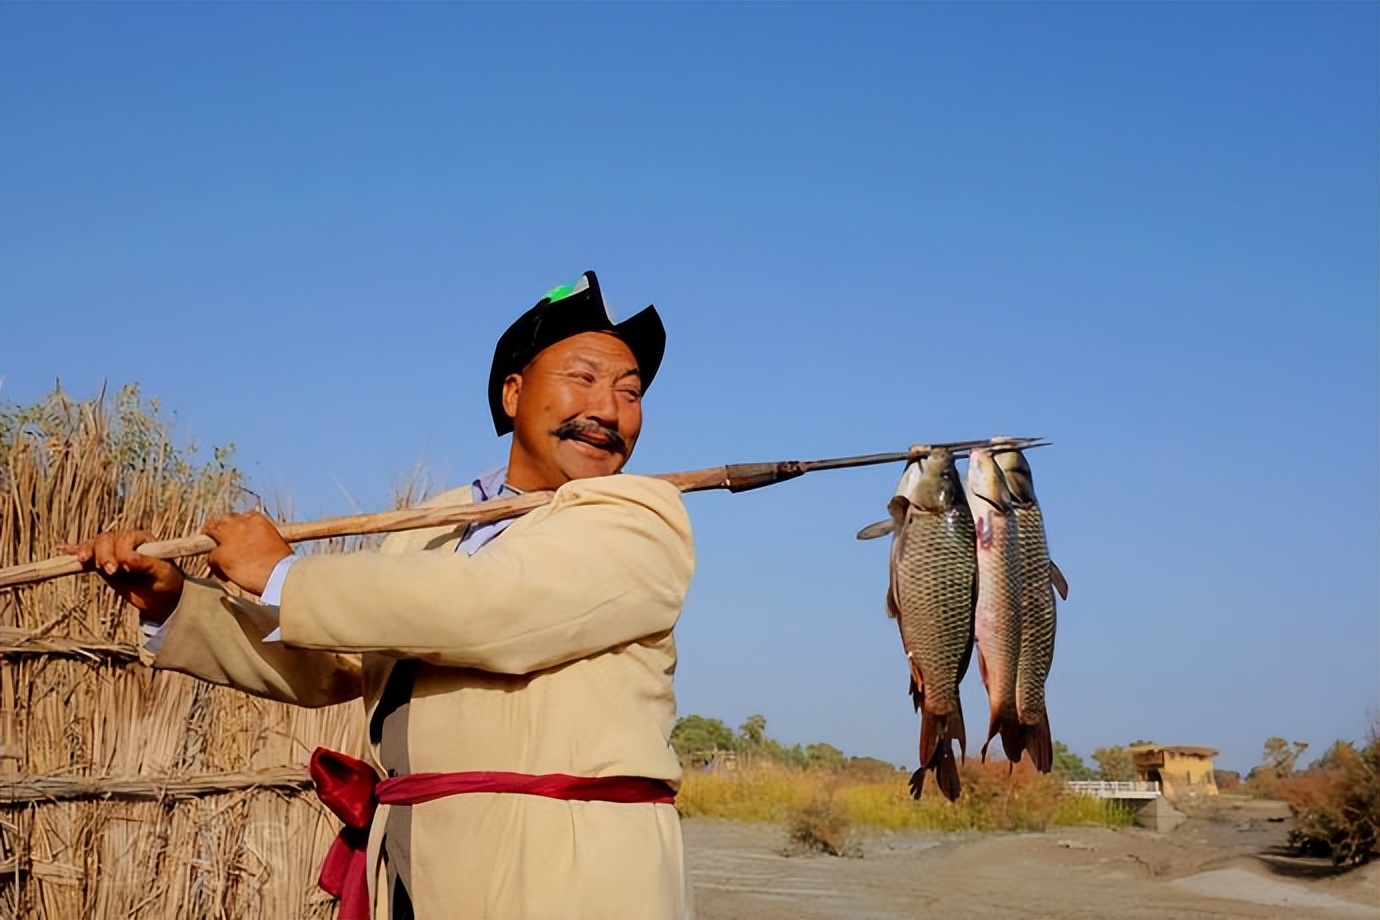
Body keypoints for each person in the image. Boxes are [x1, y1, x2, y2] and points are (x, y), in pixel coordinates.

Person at [64, 271, 696, 920]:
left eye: (630, 391)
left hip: (570, 877)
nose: (610, 410)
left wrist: (286, 575)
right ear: (513, 393)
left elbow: (493, 607)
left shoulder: (639, 519)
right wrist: (176, 603)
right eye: (584, 378)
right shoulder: (436, 526)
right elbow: (330, 663)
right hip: (416, 869)